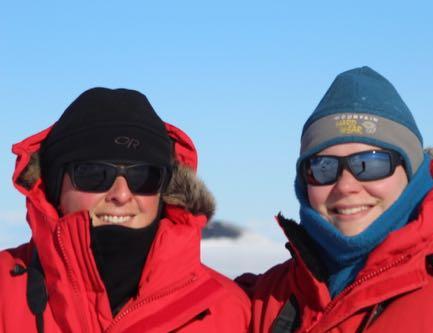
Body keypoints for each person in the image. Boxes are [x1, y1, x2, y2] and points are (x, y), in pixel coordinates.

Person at [237, 66, 433, 332]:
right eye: (323, 167)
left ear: (412, 173)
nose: (346, 186)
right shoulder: (263, 299)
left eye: (371, 163)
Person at [0, 88, 250, 332]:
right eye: (95, 174)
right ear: (55, 186)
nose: (121, 194)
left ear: (166, 190)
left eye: (144, 176)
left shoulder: (227, 309)